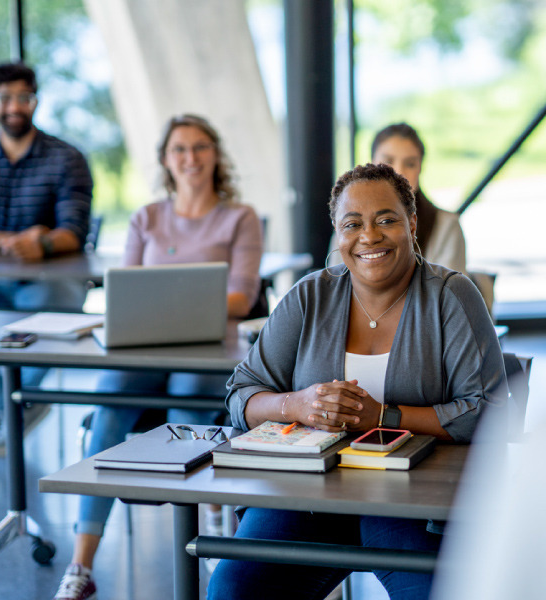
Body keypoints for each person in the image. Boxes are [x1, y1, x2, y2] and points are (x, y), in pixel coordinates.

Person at [207, 163, 507, 600]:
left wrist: (383, 416)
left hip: (410, 500)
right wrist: (298, 404)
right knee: (232, 588)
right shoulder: (310, 296)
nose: (369, 236)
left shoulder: (451, 295)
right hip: (309, 495)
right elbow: (241, 393)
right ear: (337, 232)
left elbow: (488, 410)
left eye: (386, 219)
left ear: (412, 224)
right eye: (353, 224)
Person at [53, 114, 263, 600]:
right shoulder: (146, 217)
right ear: (166, 160)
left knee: (186, 405)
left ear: (215, 154)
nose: (190, 158)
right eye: (179, 150)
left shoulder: (240, 217)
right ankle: (81, 565)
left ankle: (208, 544)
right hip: (145, 349)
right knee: (108, 410)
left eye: (200, 147)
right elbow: (126, 293)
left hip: (211, 349)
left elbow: (244, 297)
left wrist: (177, 305)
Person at [0, 61, 93, 456]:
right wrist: (11, 240)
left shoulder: (66, 158)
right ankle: (14, 403)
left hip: (51, 283)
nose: (15, 106)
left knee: (58, 308)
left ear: (35, 101)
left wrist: (42, 245)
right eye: (6, 97)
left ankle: (14, 403)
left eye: (23, 97)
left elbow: (74, 231)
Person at [329, 123, 467, 274]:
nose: (399, 172)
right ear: (371, 164)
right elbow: (337, 286)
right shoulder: (347, 224)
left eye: (410, 164)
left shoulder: (446, 225)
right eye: (388, 161)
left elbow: (450, 293)